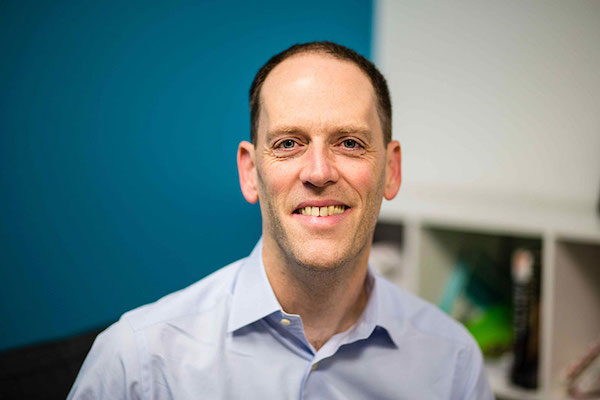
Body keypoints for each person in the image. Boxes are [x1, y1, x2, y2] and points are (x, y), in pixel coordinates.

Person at [68, 41, 493, 399]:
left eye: (349, 142)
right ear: (250, 172)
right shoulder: (139, 363)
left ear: (391, 170)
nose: (319, 172)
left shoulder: (451, 361)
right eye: (289, 143)